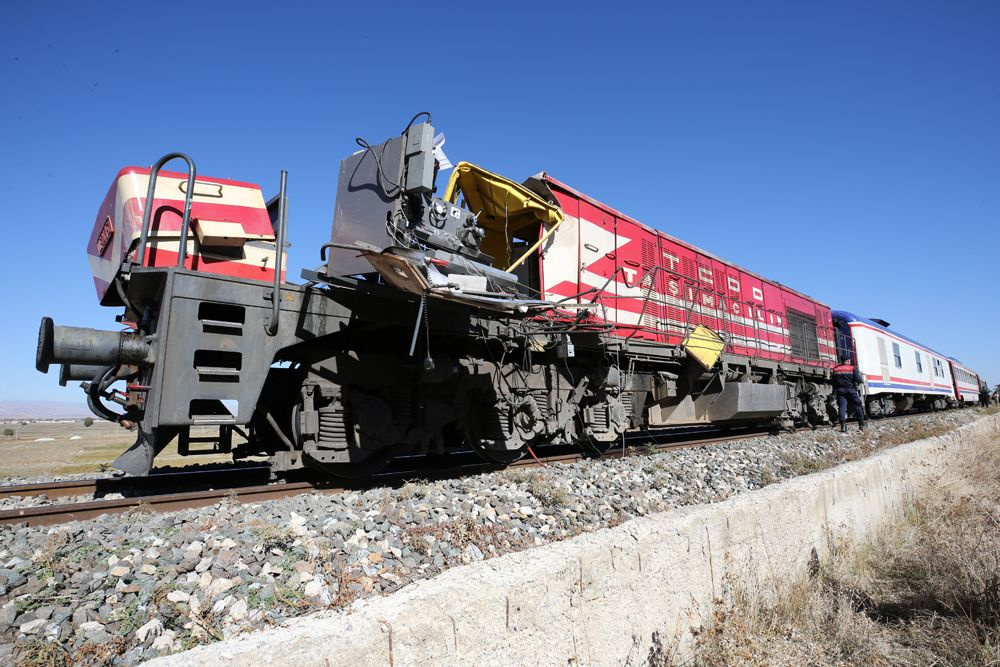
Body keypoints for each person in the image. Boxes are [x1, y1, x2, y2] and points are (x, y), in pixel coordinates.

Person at [832, 356, 866, 433]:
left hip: (840, 390)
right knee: (858, 406)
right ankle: (861, 425)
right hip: (851, 390)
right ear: (847, 361)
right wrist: (862, 381)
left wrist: (834, 391)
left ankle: (843, 427)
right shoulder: (852, 368)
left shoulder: (835, 369)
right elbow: (858, 379)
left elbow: (833, 381)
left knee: (842, 407)